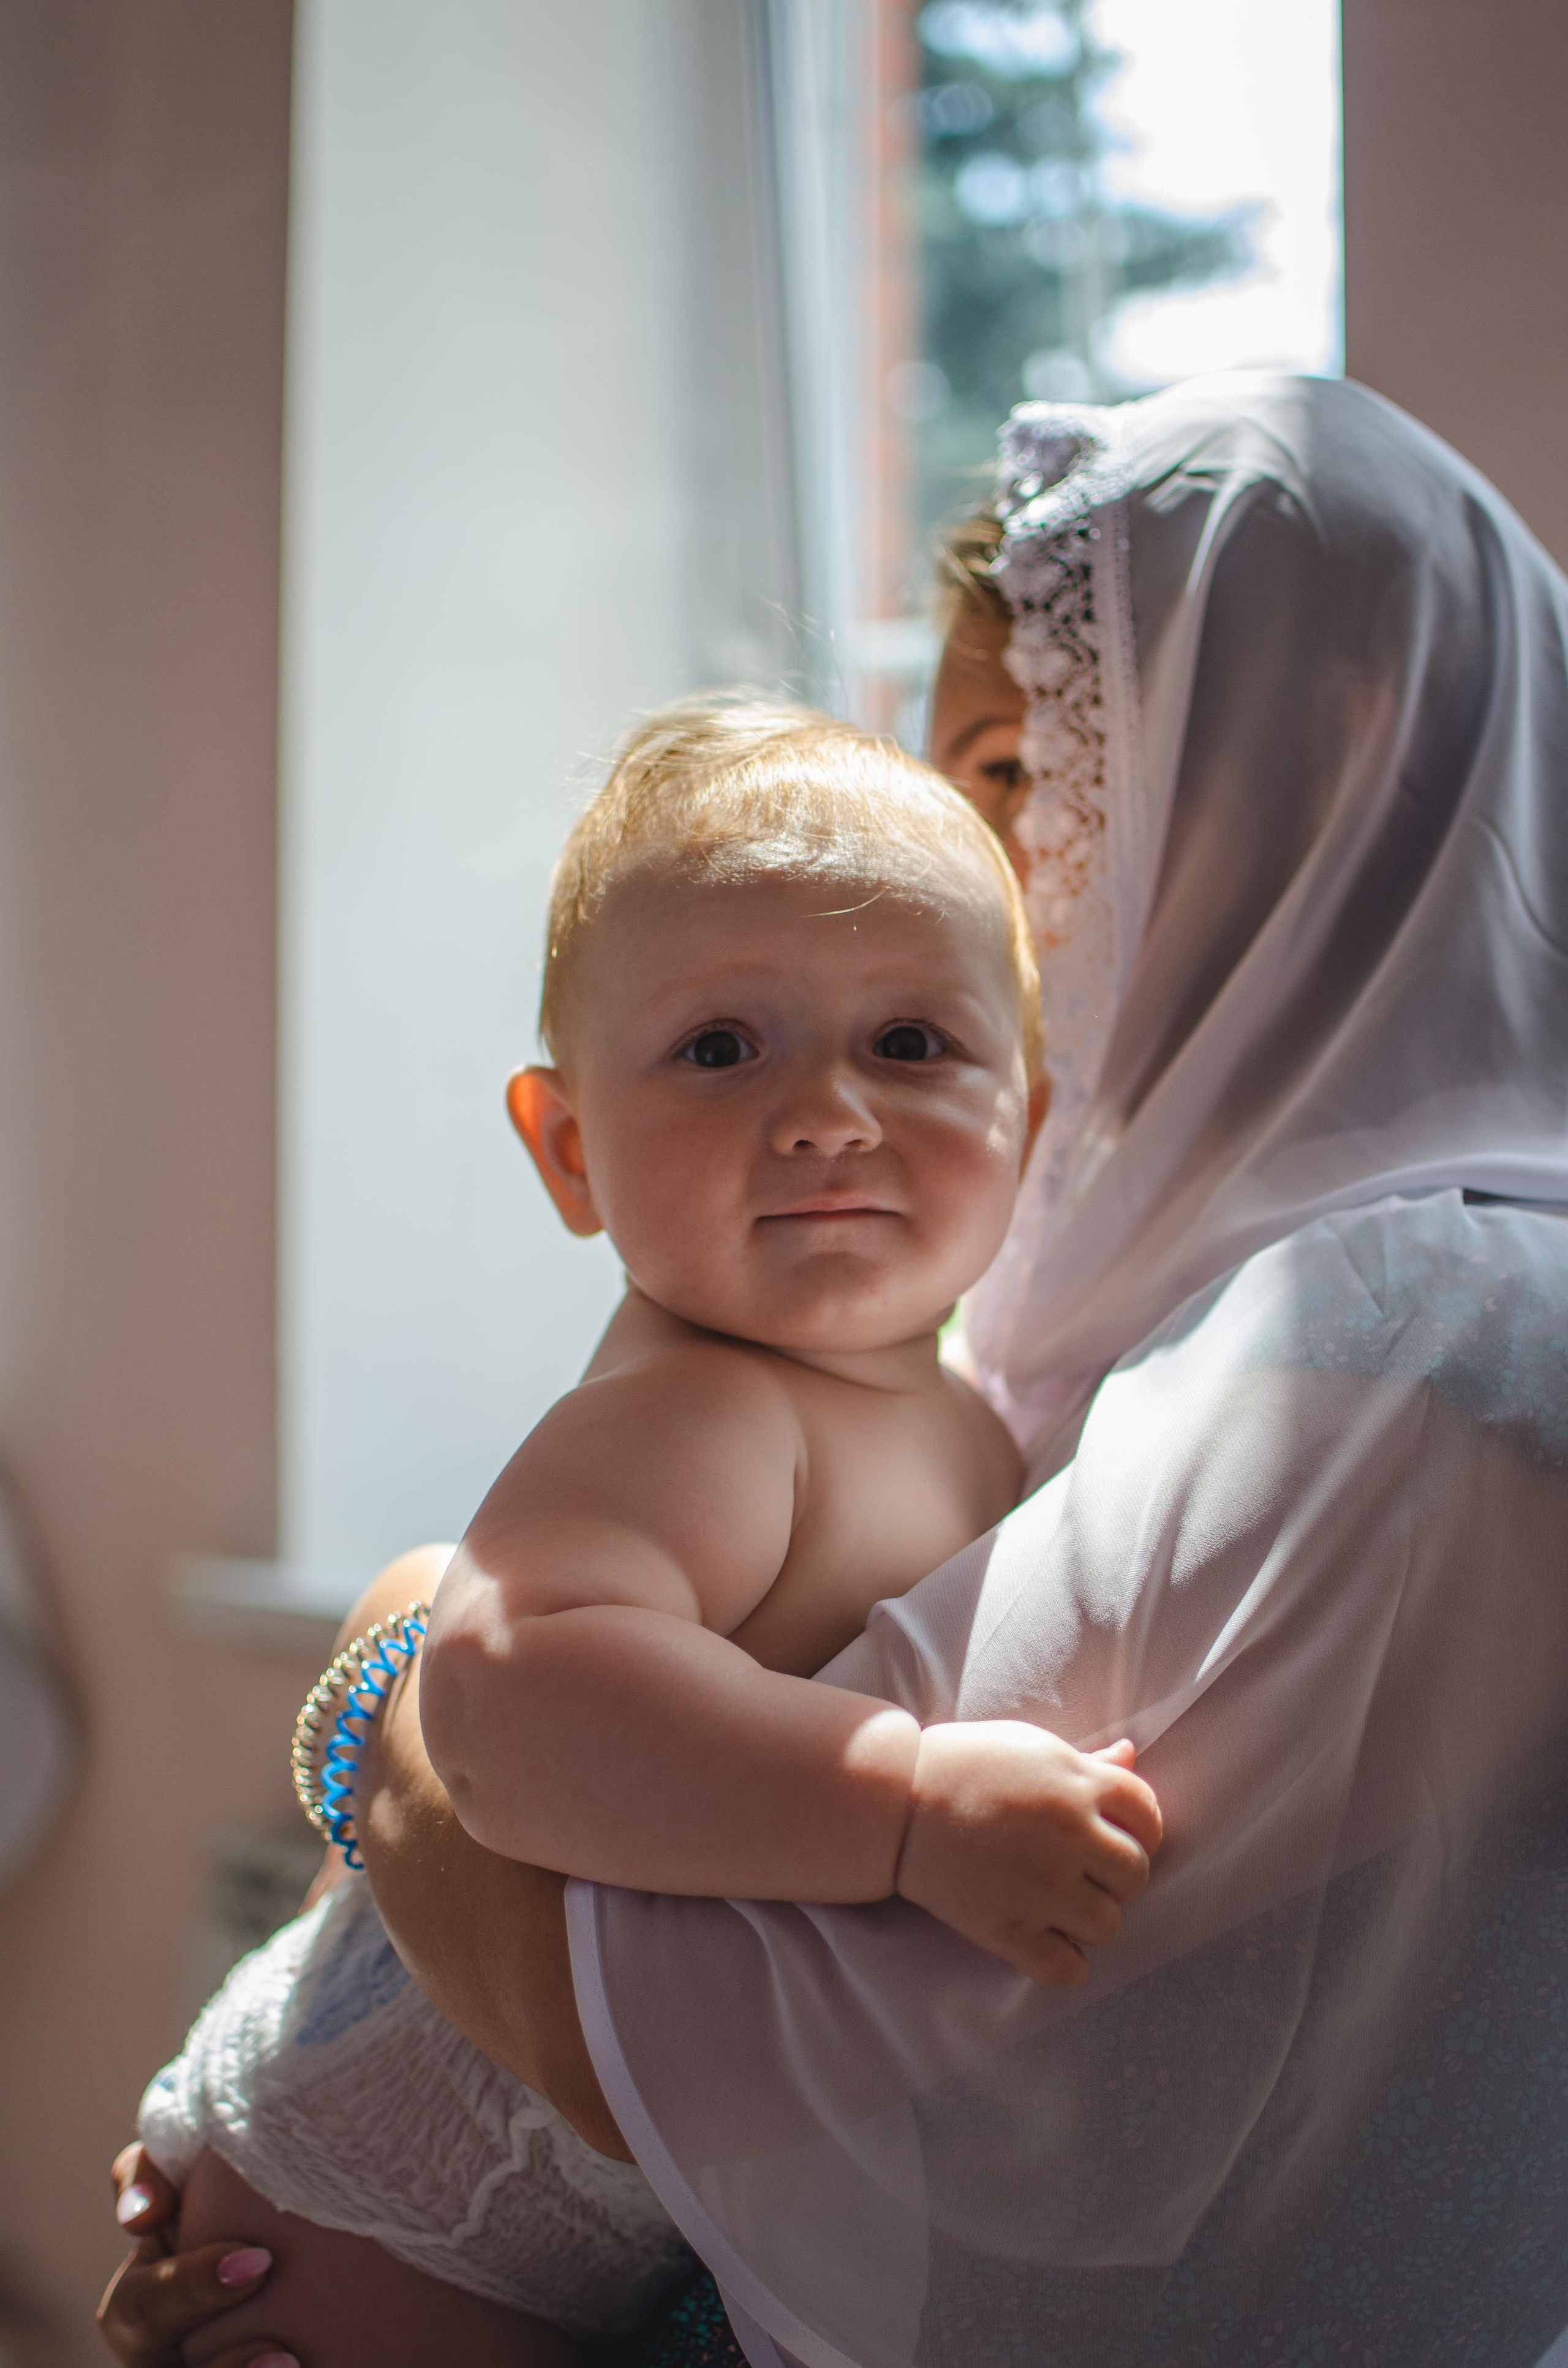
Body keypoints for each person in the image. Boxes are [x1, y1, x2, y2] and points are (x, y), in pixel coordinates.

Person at [101, 369, 1568, 2367]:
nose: (980, 876)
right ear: (564, 1138)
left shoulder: (1412, 1339)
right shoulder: (1080, 1282)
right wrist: (418, 1677)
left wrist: (390, 1677)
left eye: (1016, 768)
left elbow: (714, 2040)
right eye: (723, 1044)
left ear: (1302, 778)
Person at [122, 700, 1161, 2367]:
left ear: (1029, 1125)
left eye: (910, 1044)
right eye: (721, 1048)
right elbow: (512, 1696)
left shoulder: (959, 1411)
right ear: (571, 1148)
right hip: (367, 2231)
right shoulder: (712, 1409)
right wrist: (903, 1802)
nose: (828, 1111)